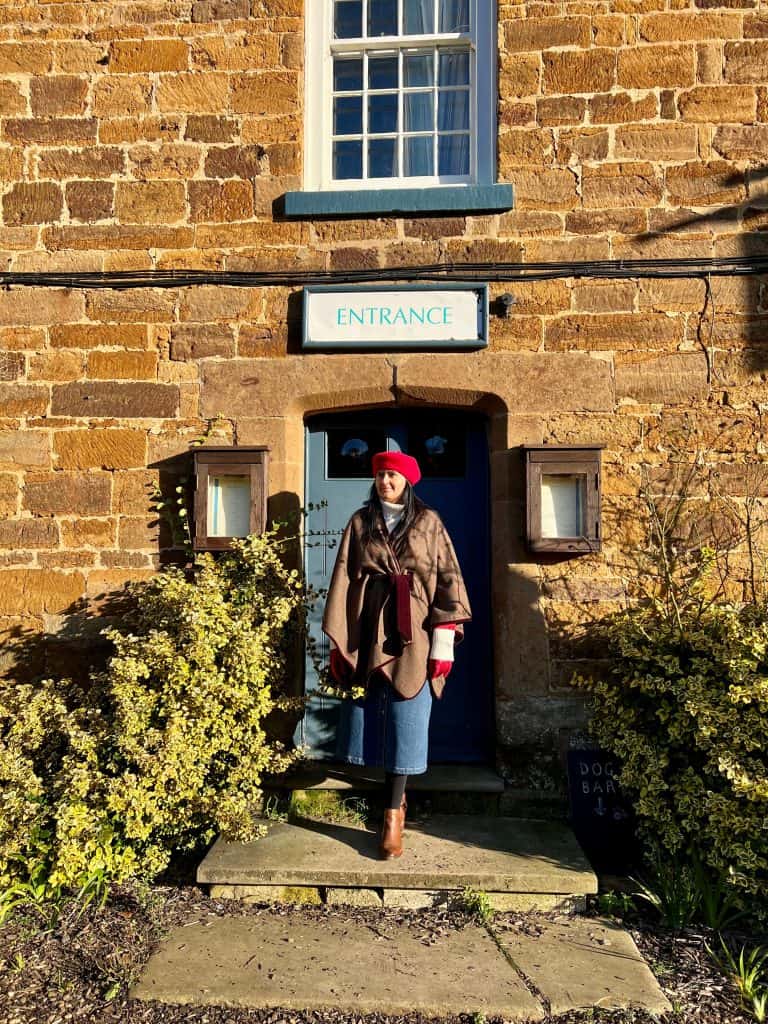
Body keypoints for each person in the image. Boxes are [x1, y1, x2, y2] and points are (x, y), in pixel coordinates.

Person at [321, 450, 471, 860]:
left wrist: (442, 644)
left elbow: (448, 581)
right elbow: (344, 580)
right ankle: (387, 800)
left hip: (416, 630)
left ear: (408, 480)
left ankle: (392, 813)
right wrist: (342, 641)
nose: (386, 481)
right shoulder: (360, 522)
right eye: (381, 475)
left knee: (407, 713)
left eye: (393, 475)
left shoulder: (429, 523)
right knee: (374, 714)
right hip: (371, 627)